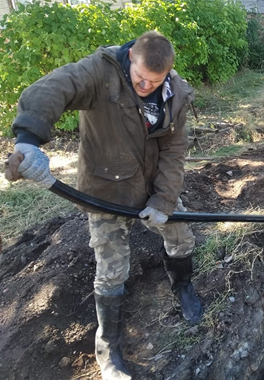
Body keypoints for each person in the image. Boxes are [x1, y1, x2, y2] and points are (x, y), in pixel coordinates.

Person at [4, 31, 202, 380]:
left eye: (153, 82)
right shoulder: (99, 71)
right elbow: (51, 89)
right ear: (130, 60)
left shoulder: (176, 94)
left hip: (153, 185)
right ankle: (108, 344)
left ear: (167, 74)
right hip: (104, 191)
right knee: (112, 270)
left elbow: (174, 152)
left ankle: (182, 286)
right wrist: (29, 141)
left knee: (182, 238)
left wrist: (163, 200)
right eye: (140, 78)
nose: (145, 86)